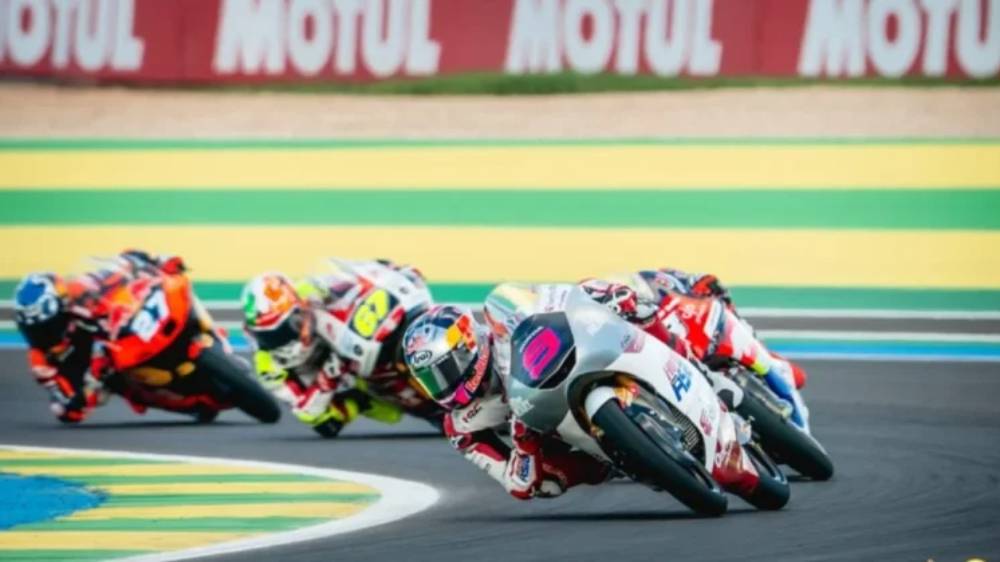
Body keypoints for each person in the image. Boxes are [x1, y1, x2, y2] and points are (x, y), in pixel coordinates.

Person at [401, 285, 623, 501]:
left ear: (466, 346)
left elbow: (553, 293)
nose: (442, 384)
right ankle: (608, 464)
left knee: (609, 293)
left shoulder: (500, 319)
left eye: (445, 370)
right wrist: (524, 444)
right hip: (548, 426)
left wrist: (598, 296)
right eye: (431, 380)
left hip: (568, 352)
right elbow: (517, 483)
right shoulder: (461, 426)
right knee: (546, 485)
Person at [589, 268, 810, 432]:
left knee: (794, 375)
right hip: (677, 366)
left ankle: (772, 377)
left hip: (706, 339)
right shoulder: (616, 332)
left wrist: (706, 285)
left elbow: (698, 280)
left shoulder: (651, 280)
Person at [241, 259, 441, 438]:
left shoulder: (302, 292)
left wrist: (389, 269)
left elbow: (348, 281)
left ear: (297, 307)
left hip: (346, 341)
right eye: (270, 336)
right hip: (333, 388)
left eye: (286, 328)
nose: (282, 338)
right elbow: (308, 412)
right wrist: (329, 376)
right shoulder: (268, 370)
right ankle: (429, 409)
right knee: (335, 418)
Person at [13, 250, 185, 423]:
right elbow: (68, 409)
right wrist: (80, 396)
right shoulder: (40, 362)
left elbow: (118, 268)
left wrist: (151, 261)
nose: (42, 335)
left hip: (121, 331)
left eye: (49, 326)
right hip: (100, 373)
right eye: (34, 329)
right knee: (69, 409)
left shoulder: (77, 290)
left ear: (63, 306)